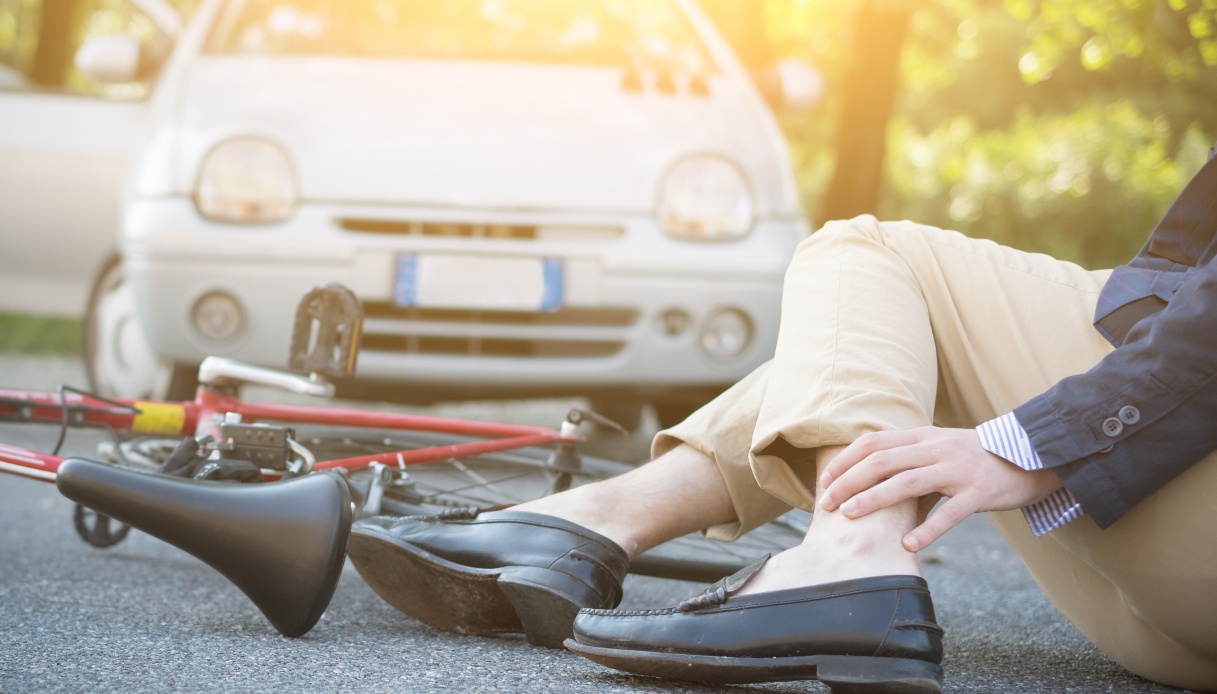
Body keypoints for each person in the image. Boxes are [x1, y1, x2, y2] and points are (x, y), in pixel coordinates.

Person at [347, 143, 1217, 694]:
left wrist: (1033, 445)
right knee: (878, 351)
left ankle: (849, 556)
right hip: (1179, 638)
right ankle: (585, 524)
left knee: (873, 255)